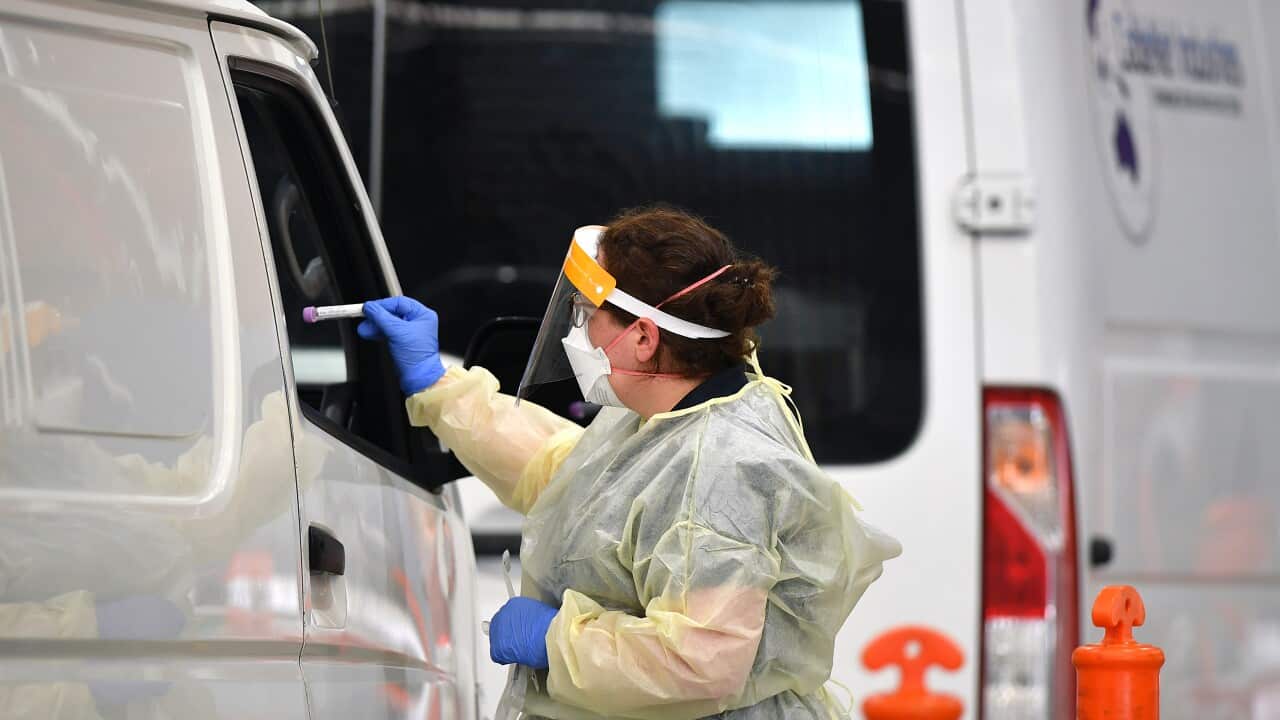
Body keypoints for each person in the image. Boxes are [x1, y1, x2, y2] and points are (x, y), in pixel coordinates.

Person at [358, 207, 901, 719]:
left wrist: (555, 641)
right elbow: (567, 478)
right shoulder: (667, 415)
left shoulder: (721, 466)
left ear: (643, 337)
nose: (576, 332)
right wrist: (440, 387)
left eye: (587, 315)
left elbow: (702, 660)